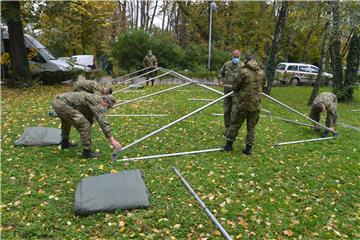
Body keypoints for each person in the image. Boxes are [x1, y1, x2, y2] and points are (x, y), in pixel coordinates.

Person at [52, 92, 122, 158]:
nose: (107, 109)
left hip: (58, 102)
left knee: (66, 122)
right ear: (106, 102)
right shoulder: (98, 103)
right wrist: (113, 140)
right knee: (85, 125)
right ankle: (87, 152)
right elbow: (102, 122)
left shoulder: (95, 99)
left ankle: (64, 143)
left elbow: (89, 116)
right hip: (62, 104)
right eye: (108, 106)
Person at [222, 55, 266, 155]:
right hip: (255, 105)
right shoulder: (261, 73)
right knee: (251, 127)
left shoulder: (243, 72)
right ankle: (249, 149)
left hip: (242, 104)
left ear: (247, 61)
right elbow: (264, 85)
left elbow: (236, 86)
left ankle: (228, 146)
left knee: (235, 124)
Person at [218, 50, 244, 134]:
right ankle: (227, 129)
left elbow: (245, 78)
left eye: (237, 57)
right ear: (231, 56)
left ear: (240, 57)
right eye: (234, 57)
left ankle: (233, 131)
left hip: (237, 93)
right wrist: (221, 80)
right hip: (227, 91)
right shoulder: (227, 64)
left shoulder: (243, 66)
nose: (236, 58)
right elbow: (220, 73)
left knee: (235, 112)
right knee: (227, 111)